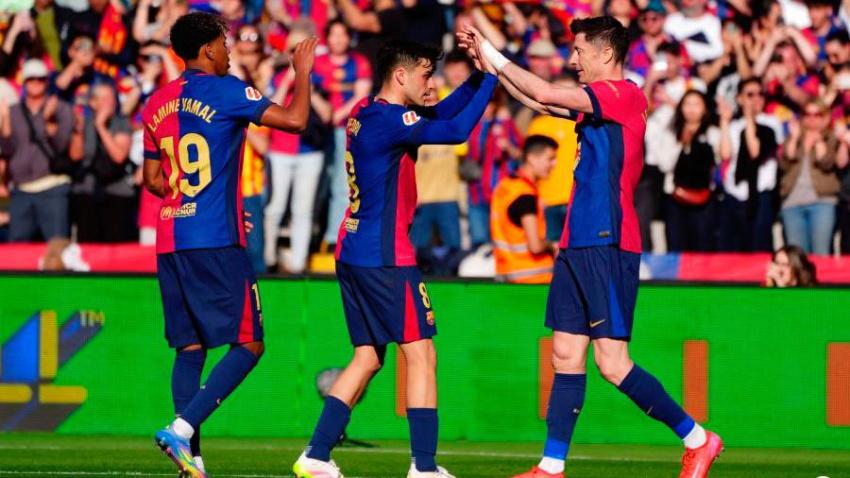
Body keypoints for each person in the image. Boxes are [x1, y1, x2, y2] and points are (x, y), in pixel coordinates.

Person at [458, 16, 722, 478]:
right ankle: (551, 467)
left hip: (607, 238)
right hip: (577, 241)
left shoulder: (624, 94)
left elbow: (545, 91)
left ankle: (698, 439)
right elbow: (538, 100)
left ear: (606, 53)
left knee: (613, 364)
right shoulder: (598, 102)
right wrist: (490, 65)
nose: (573, 59)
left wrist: (494, 53)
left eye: (579, 51)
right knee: (564, 354)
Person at [292, 40, 496, 478]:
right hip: (385, 255)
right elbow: (455, 131)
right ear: (400, 75)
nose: (432, 84)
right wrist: (492, 79)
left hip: (353, 248)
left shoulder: (368, 110)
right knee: (422, 353)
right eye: (425, 75)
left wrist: (477, 77)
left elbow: (439, 114)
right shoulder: (390, 120)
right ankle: (424, 466)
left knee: (367, 357)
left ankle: (316, 455)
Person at [141, 11, 317, 478]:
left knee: (189, 349)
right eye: (224, 43)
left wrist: (192, 196)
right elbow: (296, 120)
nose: (229, 51)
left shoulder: (155, 101)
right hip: (215, 239)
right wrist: (302, 72)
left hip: (171, 238)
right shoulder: (227, 90)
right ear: (207, 50)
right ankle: (181, 430)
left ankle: (192, 461)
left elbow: (153, 179)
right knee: (249, 343)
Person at [0, 58, 74, 243]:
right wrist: (5, 124)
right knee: (17, 246)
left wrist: (50, 123)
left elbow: (62, 146)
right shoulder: (13, 111)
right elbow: (8, 150)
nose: (36, 83)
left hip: (52, 186)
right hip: (21, 189)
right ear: (24, 82)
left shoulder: (60, 108)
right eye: (31, 79)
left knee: (56, 245)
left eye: (40, 79)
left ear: (46, 81)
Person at [647, 90, 720, 252]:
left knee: (703, 247)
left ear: (705, 109)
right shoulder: (671, 132)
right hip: (675, 199)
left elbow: (720, 160)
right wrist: (681, 143)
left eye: (697, 104)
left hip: (704, 200)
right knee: (676, 247)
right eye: (688, 104)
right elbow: (665, 165)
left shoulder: (713, 133)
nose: (692, 109)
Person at [68, 81, 136, 243]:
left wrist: (101, 127)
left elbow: (119, 156)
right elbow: (75, 156)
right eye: (104, 99)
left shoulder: (121, 123)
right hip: (87, 192)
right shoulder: (84, 123)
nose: (110, 102)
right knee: (88, 242)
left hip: (116, 193)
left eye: (112, 98)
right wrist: (78, 131)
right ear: (93, 103)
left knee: (117, 244)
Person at [490, 135, 558, 283]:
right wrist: (552, 246)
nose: (554, 164)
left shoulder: (505, 186)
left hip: (506, 277)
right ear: (532, 158)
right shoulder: (526, 195)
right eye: (550, 159)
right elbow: (535, 246)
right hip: (535, 280)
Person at [779, 101, 843, 255]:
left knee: (821, 253)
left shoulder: (831, 137)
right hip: (792, 202)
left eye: (817, 114)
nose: (812, 119)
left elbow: (827, 162)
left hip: (822, 201)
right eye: (807, 114)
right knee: (797, 256)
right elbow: (784, 163)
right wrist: (794, 139)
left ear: (826, 117)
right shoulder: (794, 136)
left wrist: (819, 141)